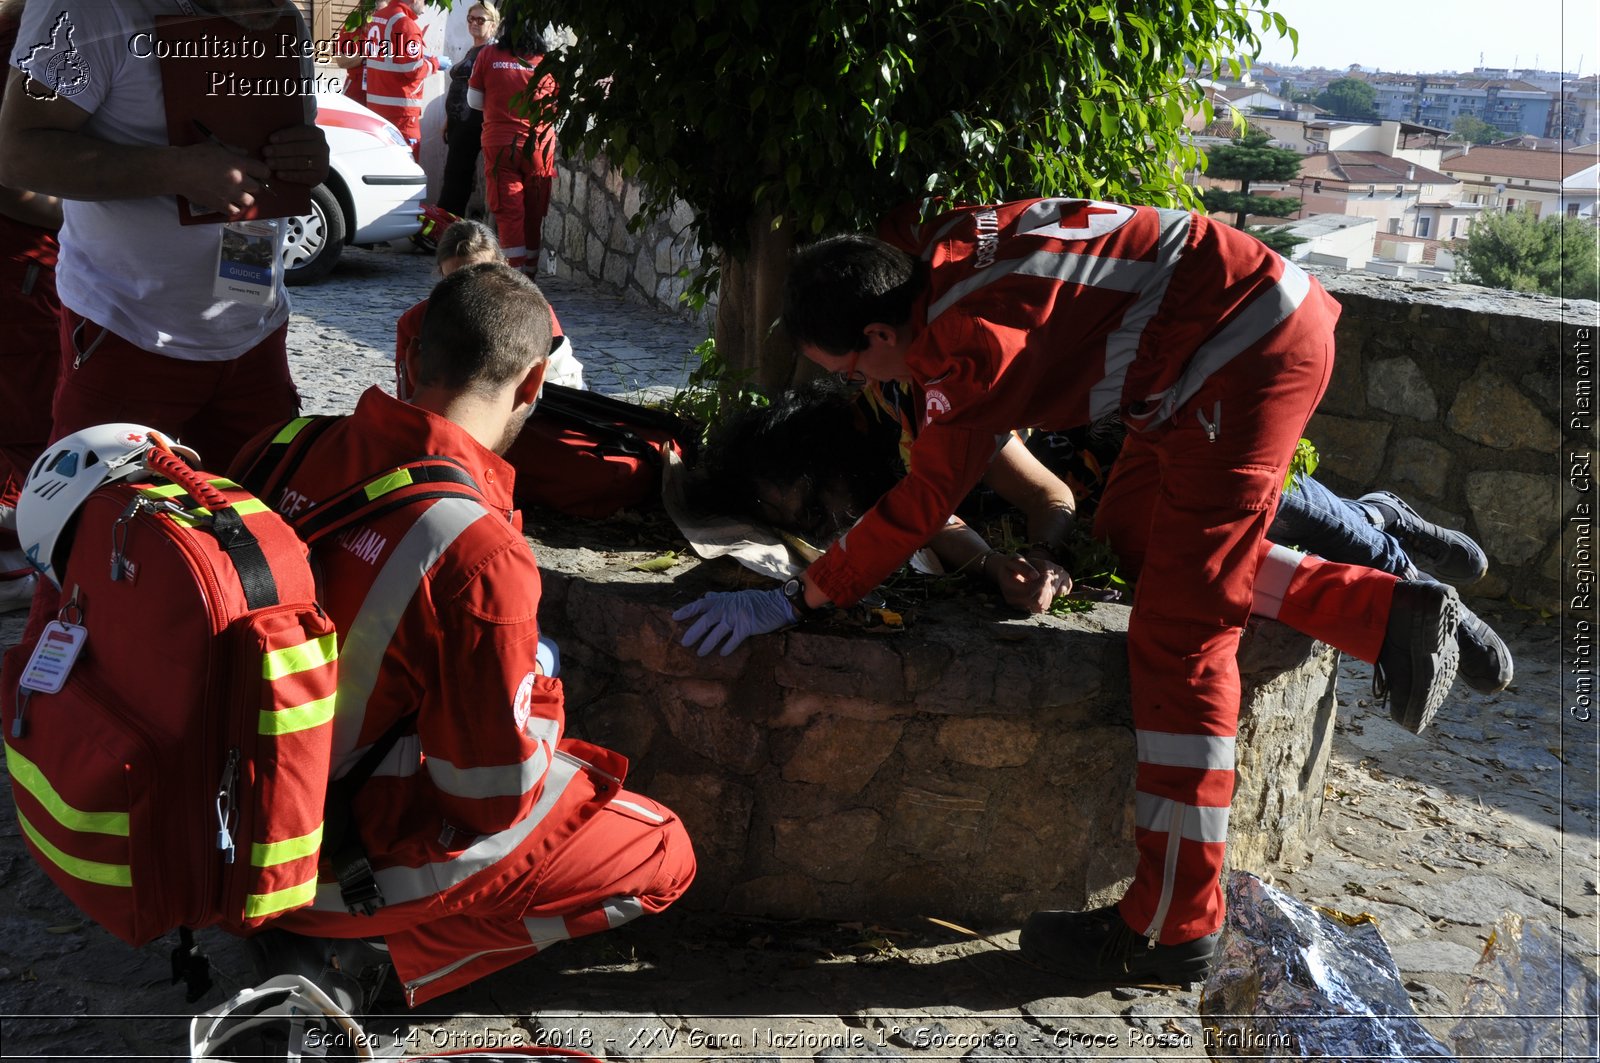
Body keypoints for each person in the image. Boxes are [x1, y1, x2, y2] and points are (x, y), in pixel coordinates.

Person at [674, 197, 1461, 986]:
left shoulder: (964, 346)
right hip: (1216, 343)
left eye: (848, 369)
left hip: (1243, 350)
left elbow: (923, 499)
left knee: (1181, 637)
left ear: (880, 335)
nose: (856, 384)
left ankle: (1174, 925)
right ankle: (1385, 610)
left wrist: (798, 598)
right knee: (1136, 533)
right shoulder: (941, 249)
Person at [232, 263, 694, 1008]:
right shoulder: (479, 550)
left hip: (228, 805)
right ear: (534, 380)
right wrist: (539, 693)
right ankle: (374, 958)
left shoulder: (286, 443)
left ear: (412, 355)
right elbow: (487, 795)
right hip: (323, 844)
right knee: (662, 848)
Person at [0, 0, 328, 472]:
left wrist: (308, 156)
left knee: (257, 529)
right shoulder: (88, 8)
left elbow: (287, 143)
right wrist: (176, 170)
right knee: (101, 530)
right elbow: (17, 156)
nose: (282, 3)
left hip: (255, 331)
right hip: (128, 333)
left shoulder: (277, 16)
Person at [0, 0, 59, 612]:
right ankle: (14, 569)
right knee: (24, 418)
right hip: (22, 271)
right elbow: (13, 183)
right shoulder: (32, 42)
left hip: (24, 270)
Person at [395, 219, 582, 401]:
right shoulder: (416, 323)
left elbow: (560, 389)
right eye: (455, 281)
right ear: (442, 275)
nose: (468, 291)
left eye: (480, 276)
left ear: (502, 267)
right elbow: (411, 403)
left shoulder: (534, 312)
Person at [469, 17, 557, 272]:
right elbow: (557, 106)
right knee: (533, 213)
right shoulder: (547, 62)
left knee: (509, 213)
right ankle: (530, 271)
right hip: (539, 146)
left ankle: (513, 274)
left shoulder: (488, 54)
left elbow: (474, 101)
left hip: (500, 146)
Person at [436, 1, 498, 217]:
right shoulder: (475, 49)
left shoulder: (489, 52)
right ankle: (447, 224)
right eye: (471, 19)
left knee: (457, 177)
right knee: (455, 175)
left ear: (493, 24)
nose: (474, 23)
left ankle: (446, 225)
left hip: (472, 121)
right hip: (458, 121)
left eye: (481, 20)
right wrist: (448, 120)